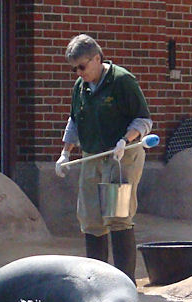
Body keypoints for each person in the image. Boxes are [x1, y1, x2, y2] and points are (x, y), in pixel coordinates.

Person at [55, 34, 152, 285]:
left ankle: (124, 283)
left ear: (97, 58)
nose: (78, 72)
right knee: (90, 218)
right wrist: (65, 152)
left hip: (119, 156)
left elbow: (143, 120)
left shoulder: (122, 81)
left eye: (82, 66)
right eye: (74, 68)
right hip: (92, 156)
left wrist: (126, 141)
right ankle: (97, 284)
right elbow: (75, 120)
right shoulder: (81, 86)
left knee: (116, 216)